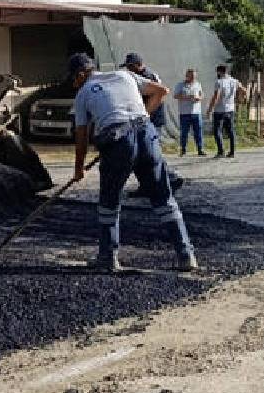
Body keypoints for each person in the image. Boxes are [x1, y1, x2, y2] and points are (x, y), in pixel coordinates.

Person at [69, 53, 198, 272]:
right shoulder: (124, 75)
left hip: (117, 141)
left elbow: (81, 136)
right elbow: (161, 91)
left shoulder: (83, 93)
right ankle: (186, 256)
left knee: (109, 200)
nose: (73, 83)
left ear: (81, 74)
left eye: (73, 78)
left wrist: (79, 169)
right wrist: (143, 117)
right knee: (164, 199)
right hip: (146, 135)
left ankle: (108, 257)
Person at [123, 52, 184, 194]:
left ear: (137, 65)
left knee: (150, 153)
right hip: (148, 117)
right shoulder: (146, 74)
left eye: (130, 67)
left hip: (151, 118)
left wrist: (145, 115)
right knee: (141, 155)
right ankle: (146, 185)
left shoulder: (146, 76)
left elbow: (158, 96)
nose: (129, 70)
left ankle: (170, 177)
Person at [206, 64, 246, 158]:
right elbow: (244, 90)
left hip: (220, 110)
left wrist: (210, 109)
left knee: (217, 131)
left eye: (217, 72)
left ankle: (221, 151)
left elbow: (216, 96)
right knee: (230, 130)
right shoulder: (234, 81)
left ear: (219, 72)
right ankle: (232, 152)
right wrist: (241, 99)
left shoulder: (219, 82)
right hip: (230, 109)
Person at [173, 68, 206, 156]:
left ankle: (200, 149)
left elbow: (202, 94)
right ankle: (183, 149)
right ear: (187, 76)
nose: (193, 78)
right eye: (191, 76)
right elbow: (175, 95)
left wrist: (199, 98)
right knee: (184, 132)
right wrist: (188, 97)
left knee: (198, 131)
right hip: (184, 113)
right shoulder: (180, 85)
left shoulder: (198, 84)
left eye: (194, 77)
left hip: (196, 112)